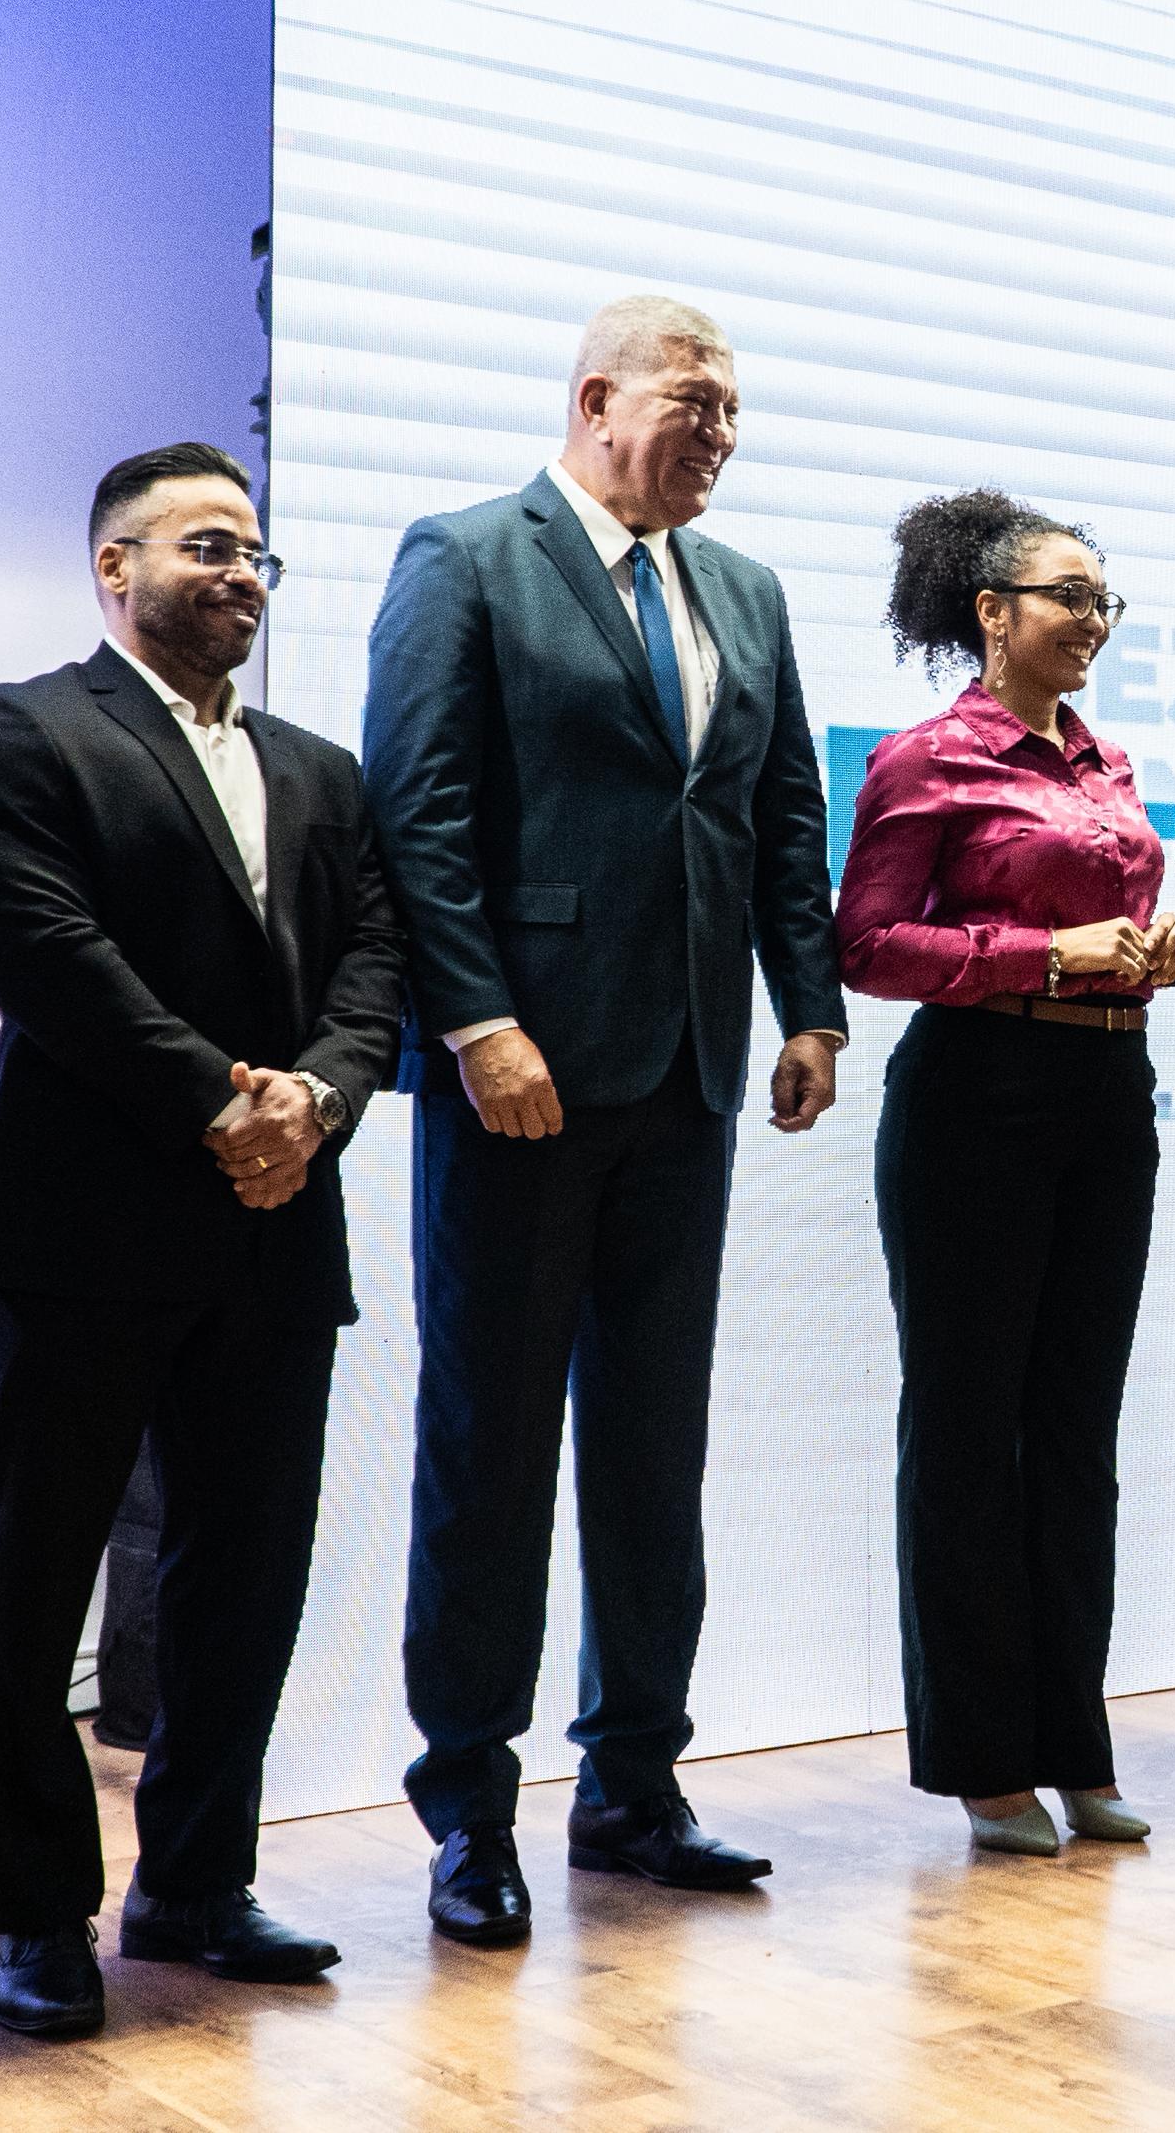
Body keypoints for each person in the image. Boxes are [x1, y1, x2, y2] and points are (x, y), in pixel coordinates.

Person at [364, 294, 848, 1949]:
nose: (720, 432)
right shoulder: (466, 556)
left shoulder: (750, 588)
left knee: (654, 1447)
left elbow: (786, 807)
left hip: (688, 1075)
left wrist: (814, 1001)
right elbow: (417, 811)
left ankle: (634, 1782)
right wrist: (478, 1021)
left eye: (735, 412)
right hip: (519, 1080)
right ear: (595, 398)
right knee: (488, 1450)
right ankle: (469, 1807)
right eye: (695, 401)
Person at [0, 443, 406, 2038]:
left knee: (245, 1575)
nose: (243, 575)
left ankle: (195, 1881)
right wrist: (220, 1103)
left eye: (259, 553)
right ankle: (38, 1911)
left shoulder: (326, 771)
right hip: (90, 1220)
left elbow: (374, 968)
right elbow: (40, 948)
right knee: (33, 1573)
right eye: (209, 545)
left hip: (280, 1225)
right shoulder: (24, 726)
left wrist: (317, 1107)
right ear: (111, 565)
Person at [834, 491, 1175, 1856]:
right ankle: (986, 1757)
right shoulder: (924, 758)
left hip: (1107, 1093)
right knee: (970, 1427)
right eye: (1067, 595)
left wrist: (1150, 951)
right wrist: (1045, 956)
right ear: (992, 613)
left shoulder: (1103, 760)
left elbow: (1114, 917)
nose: (1091, 619)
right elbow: (866, 947)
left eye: (1105, 599)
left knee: (1077, 1432)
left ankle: (1076, 1745)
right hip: (975, 1096)